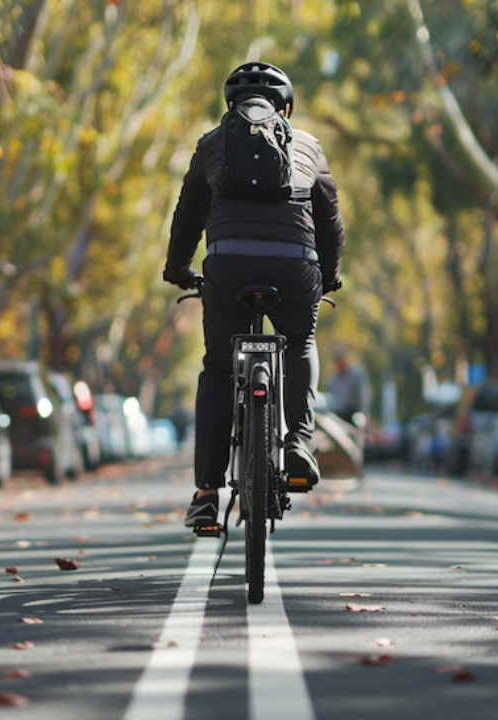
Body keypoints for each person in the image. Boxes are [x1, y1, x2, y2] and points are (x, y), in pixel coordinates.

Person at [161, 61, 346, 528]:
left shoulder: (211, 144)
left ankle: (206, 492)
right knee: (300, 344)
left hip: (228, 263)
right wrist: (329, 276)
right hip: (296, 264)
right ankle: (299, 443)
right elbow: (329, 221)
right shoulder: (307, 145)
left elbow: (187, 215)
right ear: (286, 108)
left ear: (231, 107)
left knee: (220, 368)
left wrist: (177, 269)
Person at [325, 345, 370, 425]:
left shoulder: (356, 374)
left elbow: (363, 396)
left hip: (354, 414)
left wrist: (365, 412)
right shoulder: (334, 380)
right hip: (338, 415)